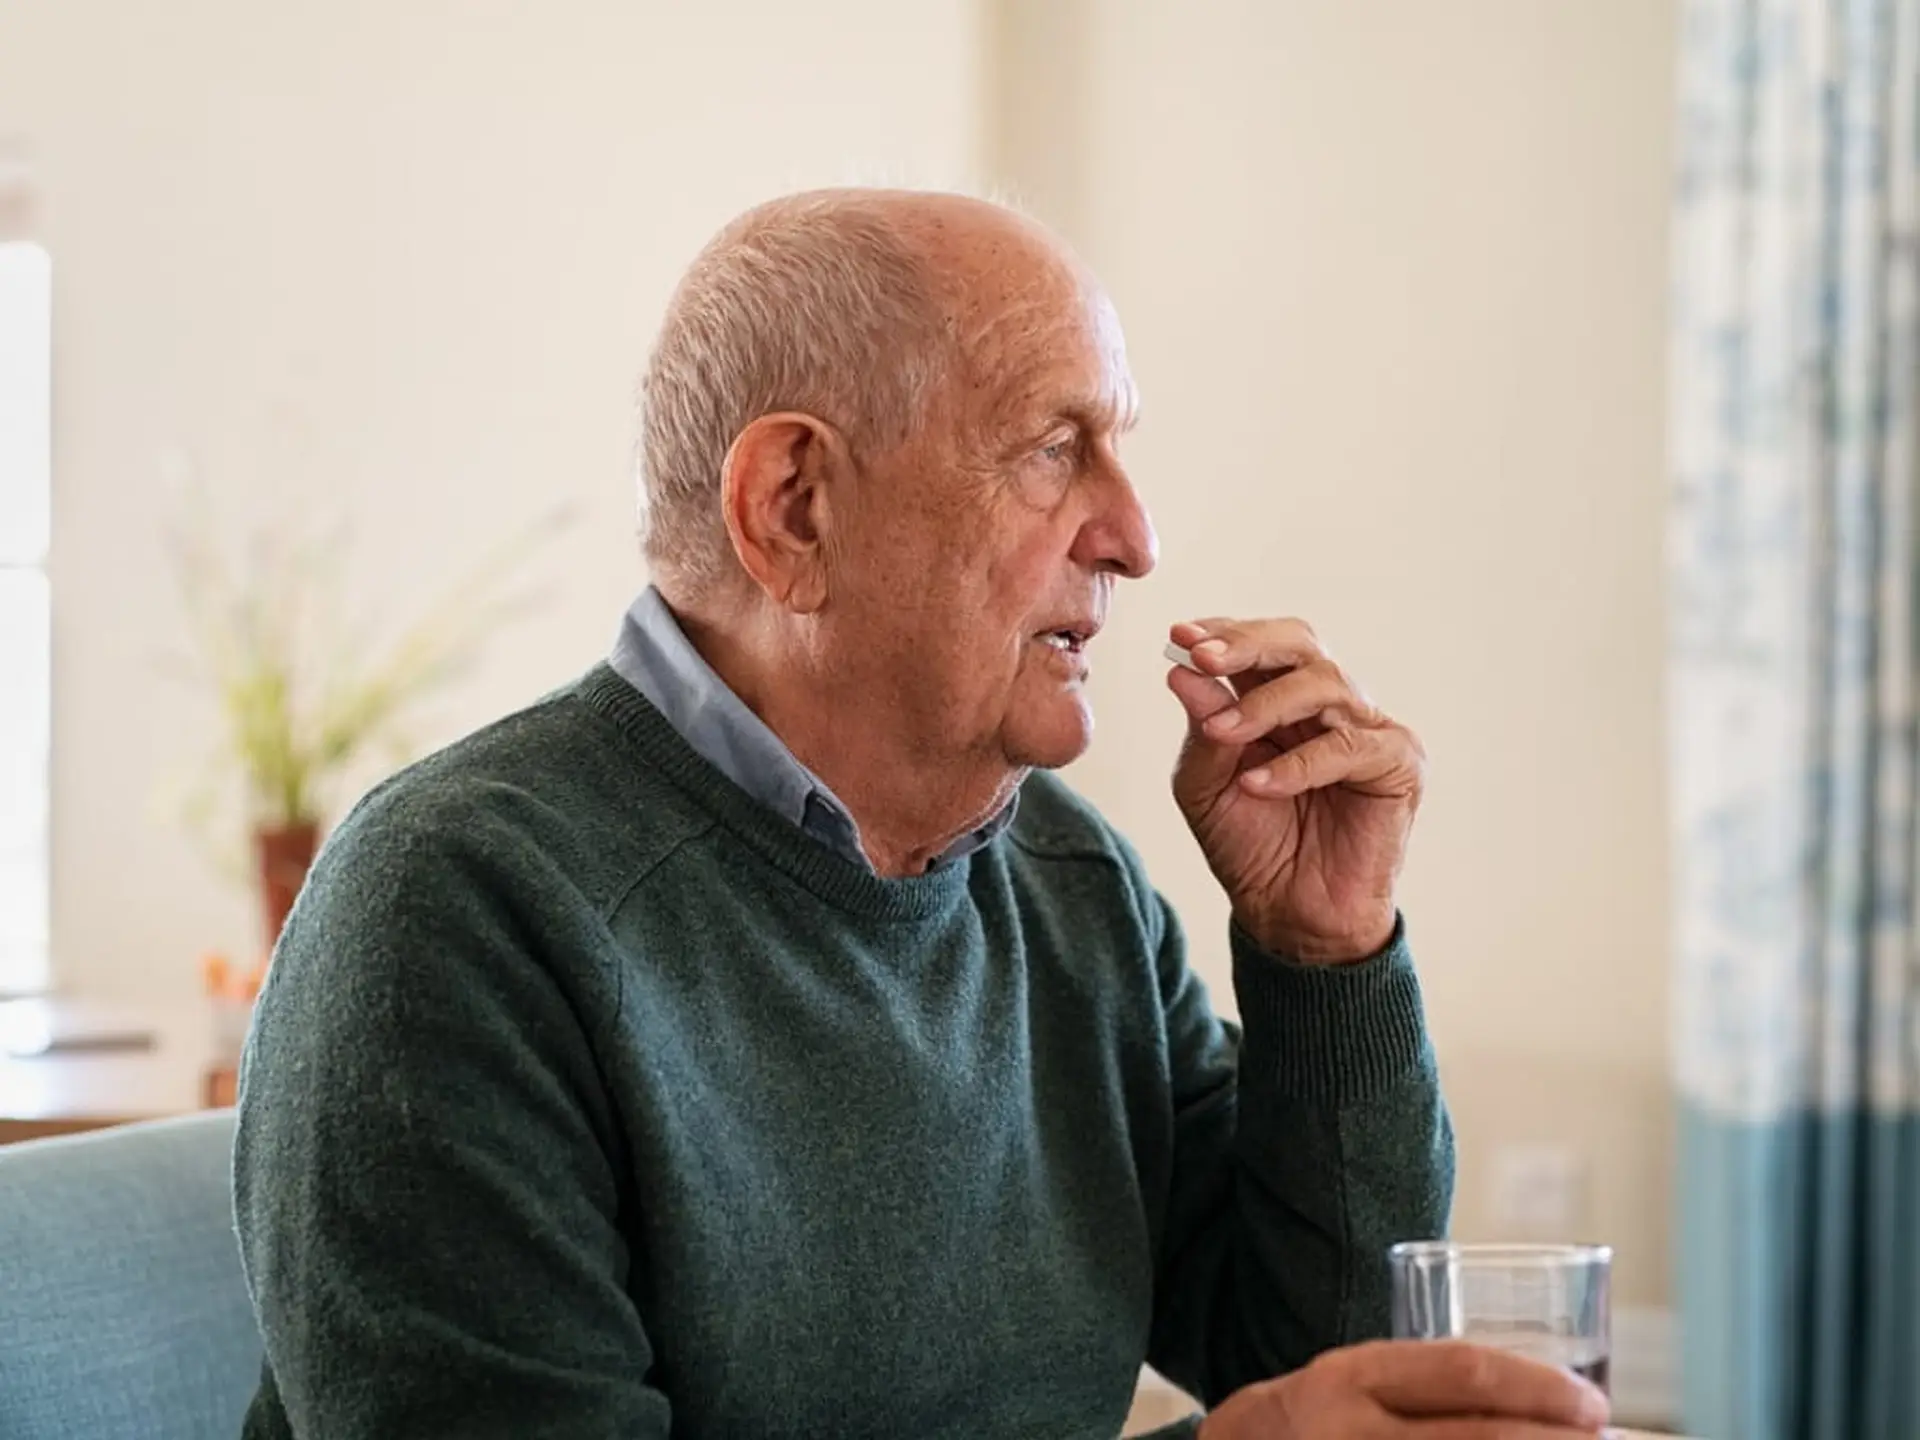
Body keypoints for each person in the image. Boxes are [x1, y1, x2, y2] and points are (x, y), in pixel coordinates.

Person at [232, 189, 1610, 1439]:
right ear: (794, 508)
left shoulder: (1073, 882)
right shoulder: (451, 911)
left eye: (1117, 449)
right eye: (1053, 450)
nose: (1135, 535)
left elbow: (1308, 1355)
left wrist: (1326, 956)